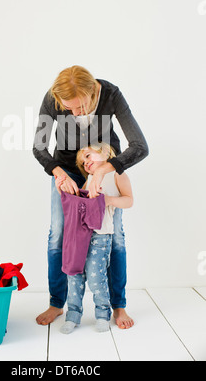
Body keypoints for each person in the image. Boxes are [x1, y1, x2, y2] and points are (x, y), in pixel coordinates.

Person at [33, 65, 148, 329]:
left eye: (81, 108)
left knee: (114, 234)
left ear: (92, 93)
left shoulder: (110, 95)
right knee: (58, 233)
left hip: (105, 166)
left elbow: (140, 146)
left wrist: (104, 170)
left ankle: (118, 306)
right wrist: (58, 172)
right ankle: (56, 303)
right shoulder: (53, 98)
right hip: (67, 169)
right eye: (68, 109)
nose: (75, 114)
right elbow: (39, 146)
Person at [57, 142, 133, 334]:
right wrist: (62, 191)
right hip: (79, 236)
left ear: (106, 153)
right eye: (83, 162)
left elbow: (129, 200)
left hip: (101, 236)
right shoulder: (90, 178)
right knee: (74, 276)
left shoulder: (117, 174)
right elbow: (78, 200)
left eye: (89, 156)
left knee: (96, 277)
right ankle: (73, 315)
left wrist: (108, 200)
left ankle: (102, 314)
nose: (86, 163)